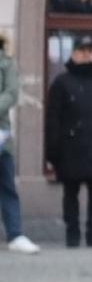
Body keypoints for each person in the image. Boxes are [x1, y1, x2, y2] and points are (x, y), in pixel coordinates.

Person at [45, 37, 92, 248]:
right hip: (70, 148)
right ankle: (72, 234)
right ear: (73, 54)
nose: (86, 55)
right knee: (71, 193)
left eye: (91, 51)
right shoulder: (61, 83)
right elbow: (53, 120)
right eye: (82, 50)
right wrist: (53, 151)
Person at [0, 33, 40, 255]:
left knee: (6, 185)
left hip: (1, 135)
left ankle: (15, 234)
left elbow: (11, 93)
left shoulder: (6, 64)